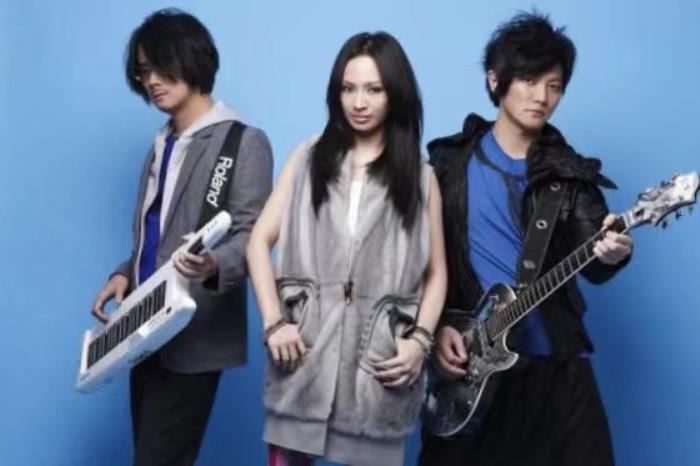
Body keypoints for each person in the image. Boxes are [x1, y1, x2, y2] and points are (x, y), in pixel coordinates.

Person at [419, 12, 633, 466]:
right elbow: (418, 260)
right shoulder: (448, 164)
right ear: (495, 80)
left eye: (554, 86)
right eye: (530, 80)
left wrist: (613, 252)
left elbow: (596, 262)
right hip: (470, 367)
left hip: (554, 364)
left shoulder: (570, 173)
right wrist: (434, 331)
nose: (542, 97)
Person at [246, 31, 447, 466]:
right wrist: (274, 322)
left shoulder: (421, 178)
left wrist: (419, 342)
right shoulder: (306, 158)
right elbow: (258, 242)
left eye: (374, 89)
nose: (358, 102)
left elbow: (436, 274)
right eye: (348, 88)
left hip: (378, 372)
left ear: (395, 94)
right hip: (303, 364)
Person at [90, 9, 273, 466]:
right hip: (141, 331)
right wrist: (124, 274)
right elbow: (156, 233)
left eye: (161, 66)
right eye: (143, 71)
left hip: (195, 334)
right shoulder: (160, 144)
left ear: (193, 59)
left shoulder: (242, 142)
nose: (151, 81)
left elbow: (253, 236)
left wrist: (213, 265)